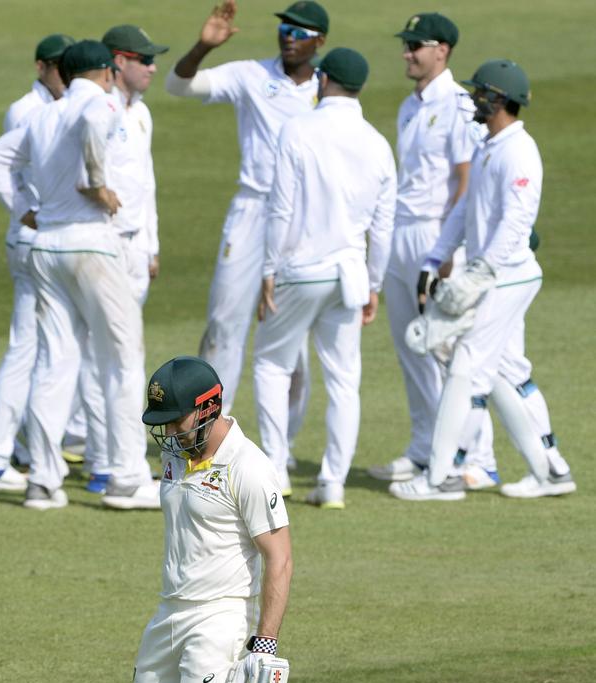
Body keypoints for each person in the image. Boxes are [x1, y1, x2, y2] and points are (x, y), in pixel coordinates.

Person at [113, 355, 293, 683]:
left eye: (176, 419)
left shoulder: (249, 467)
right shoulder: (176, 452)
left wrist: (265, 645)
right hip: (168, 613)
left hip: (219, 619)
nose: (168, 432)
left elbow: (279, 558)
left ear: (209, 407)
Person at [0, 40, 160, 510]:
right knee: (122, 358)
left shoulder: (42, 114)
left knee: (56, 363)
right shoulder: (98, 102)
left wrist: (24, 210)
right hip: (92, 244)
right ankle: (127, 479)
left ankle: (42, 481)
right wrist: (97, 182)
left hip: (47, 247)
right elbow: (97, 120)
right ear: (105, 72)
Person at [389, 59, 576, 500]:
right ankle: (551, 471)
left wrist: (481, 271)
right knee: (506, 372)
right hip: (495, 274)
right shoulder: (490, 145)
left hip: (507, 275)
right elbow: (464, 211)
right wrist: (435, 257)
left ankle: (442, 477)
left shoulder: (519, 150)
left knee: (466, 364)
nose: (472, 99)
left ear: (497, 100)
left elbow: (516, 221)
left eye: (479, 94)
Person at [164, 0, 330, 468]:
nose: (289, 36)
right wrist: (203, 46)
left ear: (319, 40)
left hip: (303, 219)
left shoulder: (329, 89)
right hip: (253, 210)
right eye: (284, 28)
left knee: (290, 340)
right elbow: (178, 84)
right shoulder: (251, 75)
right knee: (223, 323)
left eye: (300, 31)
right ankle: (208, 439)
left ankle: (285, 444)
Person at [253, 48, 396, 508]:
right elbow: (384, 227)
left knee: (271, 364)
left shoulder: (298, 129)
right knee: (343, 379)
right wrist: (374, 283)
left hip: (300, 268)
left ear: (324, 80)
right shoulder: (377, 143)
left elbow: (280, 207)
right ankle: (332, 483)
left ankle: (275, 469)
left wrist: (268, 269)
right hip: (349, 274)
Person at [367, 13, 499, 491]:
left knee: (449, 349)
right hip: (404, 234)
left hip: (436, 239)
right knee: (411, 347)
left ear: (441, 50)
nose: (407, 53)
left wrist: (448, 248)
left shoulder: (461, 105)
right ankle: (425, 446)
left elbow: (465, 182)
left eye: (415, 45)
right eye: (405, 45)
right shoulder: (409, 105)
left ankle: (477, 458)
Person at [0, 33, 75, 494]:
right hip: (34, 241)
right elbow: (2, 168)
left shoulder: (56, 107)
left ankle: (23, 451)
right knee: (29, 349)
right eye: (57, 67)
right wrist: (26, 212)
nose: (64, 76)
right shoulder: (27, 110)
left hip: (42, 239)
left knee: (40, 348)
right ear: (40, 67)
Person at [76, 24, 169, 495]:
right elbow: (88, 175)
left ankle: (108, 457)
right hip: (105, 243)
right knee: (108, 356)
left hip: (135, 247)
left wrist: (150, 245)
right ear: (117, 61)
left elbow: (146, 183)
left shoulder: (143, 113)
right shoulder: (102, 111)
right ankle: (106, 462)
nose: (153, 67)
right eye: (144, 59)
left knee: (119, 354)